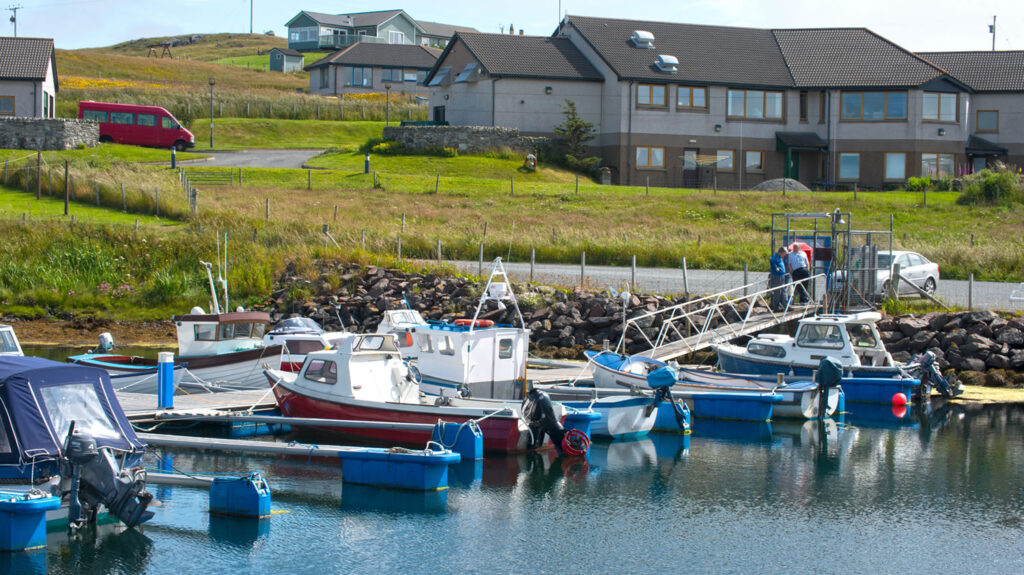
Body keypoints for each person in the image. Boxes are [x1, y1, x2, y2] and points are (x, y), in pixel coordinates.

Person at [768, 246, 788, 311]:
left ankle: (785, 305)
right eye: (784, 253)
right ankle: (776, 307)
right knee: (778, 292)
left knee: (783, 291)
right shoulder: (775, 257)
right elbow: (772, 261)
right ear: (780, 252)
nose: (784, 255)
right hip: (777, 276)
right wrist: (776, 268)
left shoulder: (780, 257)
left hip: (781, 276)